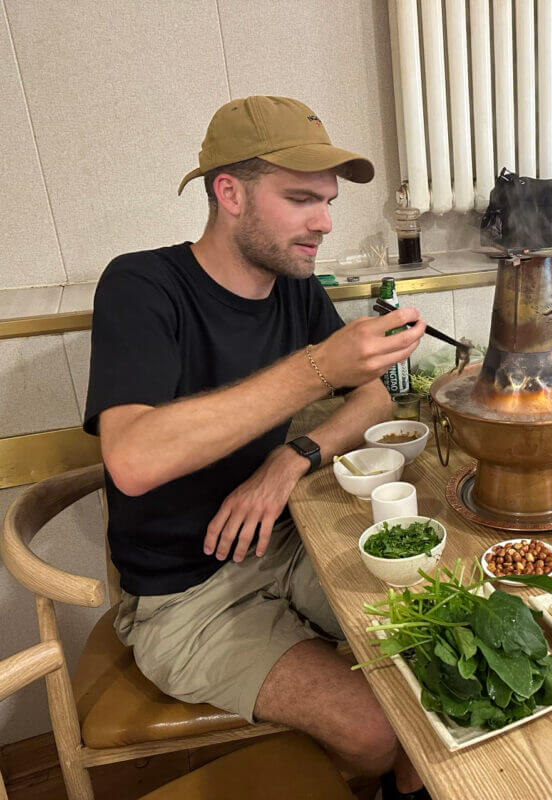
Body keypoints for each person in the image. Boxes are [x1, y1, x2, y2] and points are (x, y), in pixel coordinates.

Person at [84, 96, 429, 799]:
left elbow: (372, 398)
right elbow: (133, 460)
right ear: (230, 192)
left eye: (328, 202)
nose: (324, 222)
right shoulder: (142, 286)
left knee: (436, 643)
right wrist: (317, 369)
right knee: (375, 729)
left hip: (289, 544)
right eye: (301, 198)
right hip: (186, 598)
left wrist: (291, 457)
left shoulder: (295, 290)